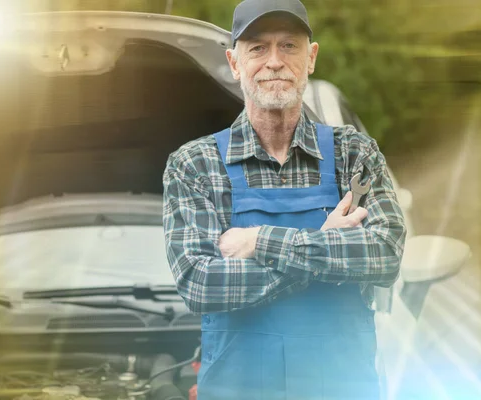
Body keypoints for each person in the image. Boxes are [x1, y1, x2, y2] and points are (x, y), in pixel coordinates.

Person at [162, 0, 407, 398]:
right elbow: (201, 283)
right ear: (234, 62)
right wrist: (325, 244)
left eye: (289, 46)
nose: (274, 61)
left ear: (310, 58)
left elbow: (384, 254)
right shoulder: (195, 165)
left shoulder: (354, 154)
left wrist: (260, 241)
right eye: (257, 47)